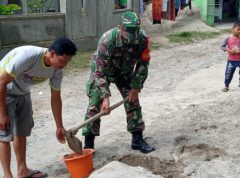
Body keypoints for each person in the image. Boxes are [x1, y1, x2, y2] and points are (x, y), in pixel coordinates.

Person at [0, 37, 77, 178]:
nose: (64, 65)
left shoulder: (57, 70)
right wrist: (2, 114)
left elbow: (55, 97)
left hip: (23, 92)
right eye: (62, 61)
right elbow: (1, 82)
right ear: (52, 53)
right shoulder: (28, 56)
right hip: (4, 90)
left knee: (22, 131)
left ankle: (22, 170)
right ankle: (7, 175)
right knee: (4, 134)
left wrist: (59, 126)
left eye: (67, 62)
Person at [82, 11, 155, 154]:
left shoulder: (142, 39)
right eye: (128, 35)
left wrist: (136, 87)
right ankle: (88, 144)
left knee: (133, 101)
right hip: (104, 72)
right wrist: (105, 97)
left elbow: (143, 64)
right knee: (95, 104)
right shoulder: (107, 40)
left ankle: (137, 139)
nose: (130, 40)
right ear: (120, 28)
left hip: (125, 72)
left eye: (133, 35)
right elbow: (99, 71)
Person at [221, 21, 240, 92]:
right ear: (233, 29)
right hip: (231, 60)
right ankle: (226, 86)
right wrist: (229, 50)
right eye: (238, 29)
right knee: (228, 73)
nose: (239, 31)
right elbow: (222, 46)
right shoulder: (228, 38)